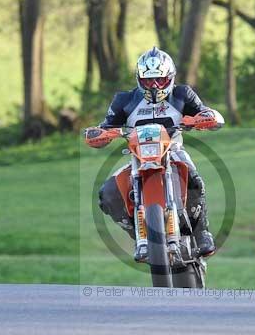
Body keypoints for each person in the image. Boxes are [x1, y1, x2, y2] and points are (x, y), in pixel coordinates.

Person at [84, 47, 224, 262]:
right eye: (149, 81)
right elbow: (107, 126)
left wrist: (206, 117)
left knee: (194, 179)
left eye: (159, 79)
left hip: (174, 153)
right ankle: (138, 233)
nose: (155, 86)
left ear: (170, 78)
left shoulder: (182, 94)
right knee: (108, 194)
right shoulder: (124, 100)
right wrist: (99, 133)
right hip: (138, 159)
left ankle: (202, 232)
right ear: (140, 80)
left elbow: (205, 113)